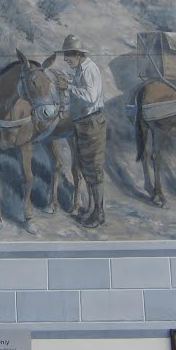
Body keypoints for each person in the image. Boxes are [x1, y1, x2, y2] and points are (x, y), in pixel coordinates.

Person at [59, 34, 107, 228]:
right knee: (86, 168)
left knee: (94, 169)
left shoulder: (89, 70)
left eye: (68, 55)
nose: (65, 59)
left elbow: (90, 97)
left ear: (78, 54)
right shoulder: (79, 69)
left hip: (92, 122)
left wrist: (69, 87)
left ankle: (99, 212)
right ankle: (91, 208)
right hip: (82, 122)